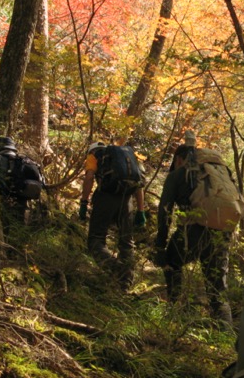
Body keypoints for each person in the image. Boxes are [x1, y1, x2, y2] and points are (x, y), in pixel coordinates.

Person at [153, 138, 234, 324]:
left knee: (172, 263)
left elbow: (164, 211)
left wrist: (160, 246)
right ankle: (225, 336)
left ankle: (175, 314)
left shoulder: (177, 175)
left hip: (193, 231)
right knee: (218, 289)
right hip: (223, 232)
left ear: (179, 159)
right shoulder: (219, 174)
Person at [79, 142, 146, 290]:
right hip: (127, 199)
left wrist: (84, 202)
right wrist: (141, 211)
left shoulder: (94, 156)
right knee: (127, 242)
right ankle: (126, 282)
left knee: (96, 239)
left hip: (105, 198)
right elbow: (139, 184)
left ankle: (116, 269)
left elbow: (89, 177)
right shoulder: (128, 157)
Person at [0, 136, 45, 223]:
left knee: (4, 224)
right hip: (22, 198)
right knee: (20, 225)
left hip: (3, 199)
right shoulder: (24, 161)